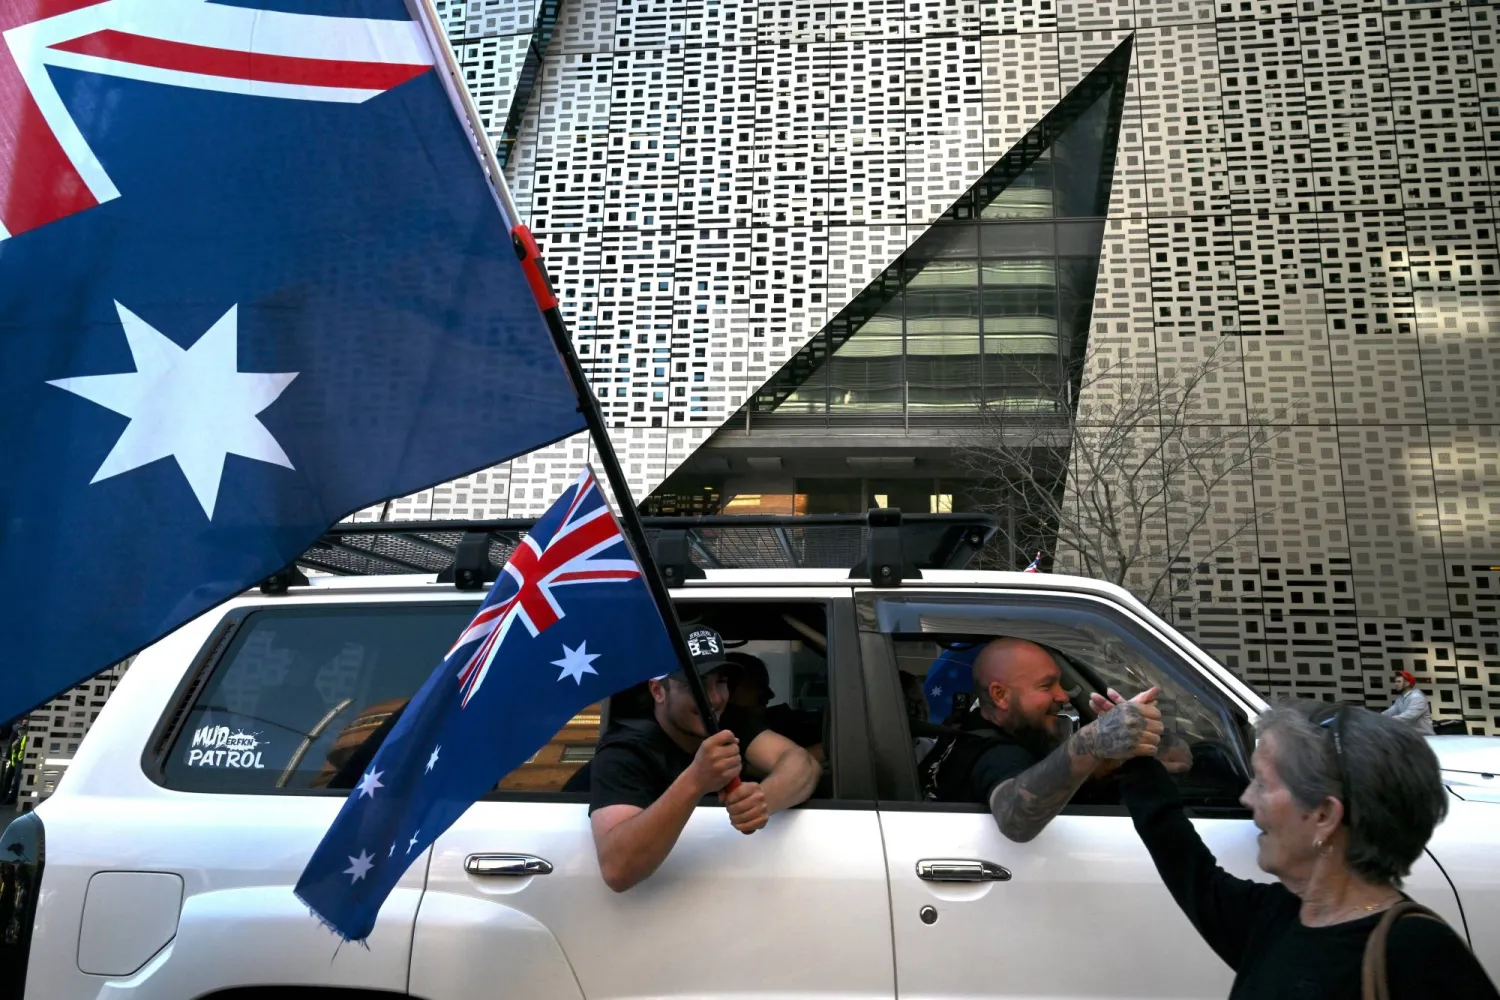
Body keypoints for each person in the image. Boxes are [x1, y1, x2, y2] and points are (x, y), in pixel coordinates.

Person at [1107, 695, 1498, 998]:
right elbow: (1182, 858)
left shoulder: (1421, 956)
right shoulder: (1275, 919)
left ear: (1324, 816)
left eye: (1262, 782)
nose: (1246, 798)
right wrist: (1134, 758)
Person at [588, 625, 821, 892]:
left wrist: (761, 801)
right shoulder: (626, 750)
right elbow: (618, 869)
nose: (713, 698)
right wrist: (696, 779)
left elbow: (802, 764)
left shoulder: (725, 720)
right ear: (657, 691)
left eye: (720, 682)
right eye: (695, 685)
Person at [919, 636, 1163, 842]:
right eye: (1047, 686)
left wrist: (1104, 764)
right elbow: (1015, 817)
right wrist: (1092, 740)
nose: (1063, 696)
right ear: (1000, 695)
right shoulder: (997, 755)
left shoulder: (965, 729)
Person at [1382, 670, 1434, 735]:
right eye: (1395, 682)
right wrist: (1377, 717)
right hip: (1411, 735)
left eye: (1399, 682)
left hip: (1424, 736)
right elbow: (1391, 711)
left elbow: (1409, 716)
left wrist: (1387, 720)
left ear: (1408, 683)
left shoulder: (1417, 697)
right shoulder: (1401, 698)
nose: (1396, 684)